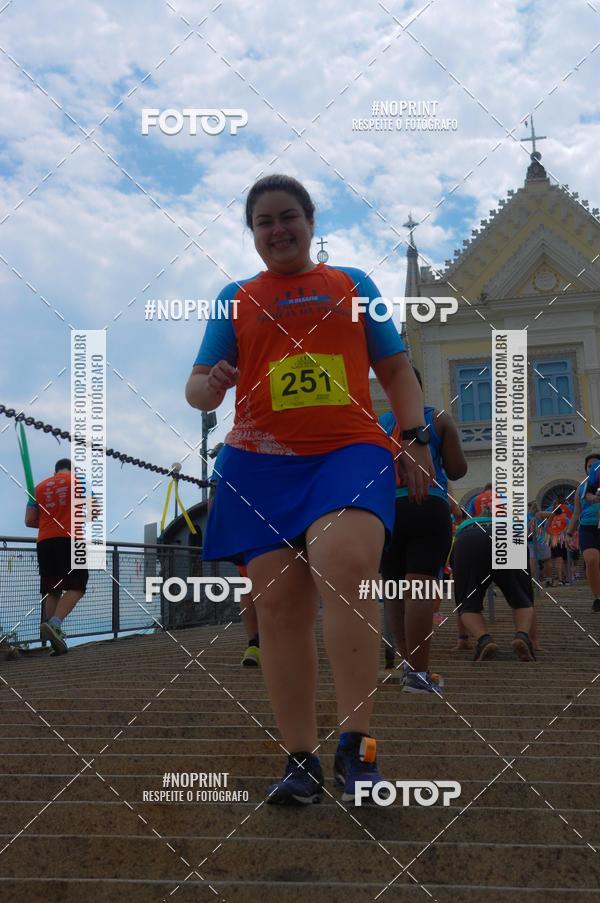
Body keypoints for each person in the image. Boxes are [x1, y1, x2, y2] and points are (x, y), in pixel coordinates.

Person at [185, 173, 433, 805]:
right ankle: (301, 761)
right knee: (278, 607)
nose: (278, 229)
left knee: (345, 565)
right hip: (260, 461)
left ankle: (359, 749)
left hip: (347, 450)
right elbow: (195, 389)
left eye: (288, 216)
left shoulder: (353, 285)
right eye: (264, 221)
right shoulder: (234, 297)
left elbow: (398, 368)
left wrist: (414, 437)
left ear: (311, 221)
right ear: (252, 233)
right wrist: (211, 385)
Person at [379, 367, 467, 694]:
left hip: (387, 510)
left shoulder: (377, 424)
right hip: (428, 503)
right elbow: (457, 470)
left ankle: (406, 665)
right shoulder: (439, 418)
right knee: (420, 585)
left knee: (393, 588)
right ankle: (418, 673)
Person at [452, 486, 536, 662]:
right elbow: (530, 599)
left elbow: (459, 598)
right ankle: (522, 636)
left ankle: (484, 639)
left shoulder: (469, 520)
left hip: (470, 538)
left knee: (467, 600)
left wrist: (462, 638)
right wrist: (535, 640)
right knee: (522, 598)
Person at [24, 459, 88, 654]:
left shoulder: (38, 487)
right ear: (72, 470)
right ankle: (55, 623)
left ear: (55, 471)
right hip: (70, 538)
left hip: (45, 541)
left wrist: (47, 521)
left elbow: (29, 521)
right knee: (78, 585)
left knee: (53, 589)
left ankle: (55, 641)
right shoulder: (79, 483)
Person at [209, 442, 260, 666]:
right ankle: (258, 643)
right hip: (264, 521)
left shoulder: (230, 447)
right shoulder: (231, 448)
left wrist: (215, 531)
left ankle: (255, 644)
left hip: (245, 524)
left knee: (250, 585)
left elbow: (214, 491)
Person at [567, 453, 600, 612]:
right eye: (590, 466)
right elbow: (576, 513)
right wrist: (569, 533)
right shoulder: (581, 489)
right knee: (591, 560)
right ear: (586, 469)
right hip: (588, 528)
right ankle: (597, 598)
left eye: (596, 465)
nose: (593, 468)